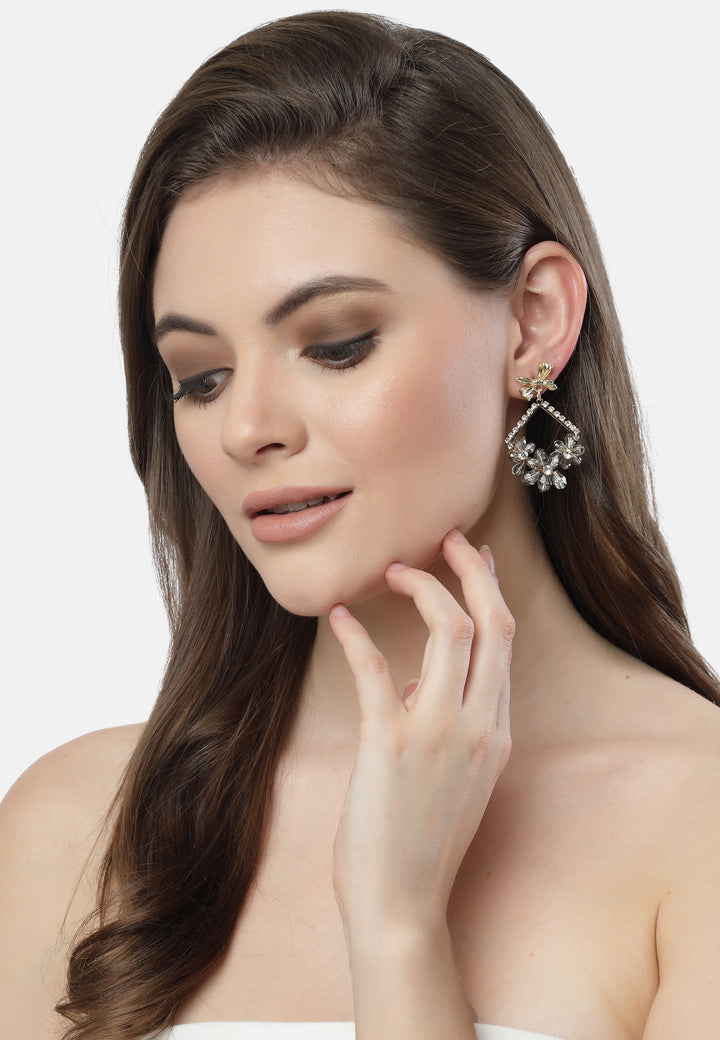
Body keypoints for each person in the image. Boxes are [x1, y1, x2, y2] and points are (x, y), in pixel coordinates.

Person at [1, 9, 719, 1040]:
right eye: (200, 376)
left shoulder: (701, 823)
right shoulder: (75, 831)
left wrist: (396, 930)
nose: (245, 427)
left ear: (534, 322)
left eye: (335, 344)